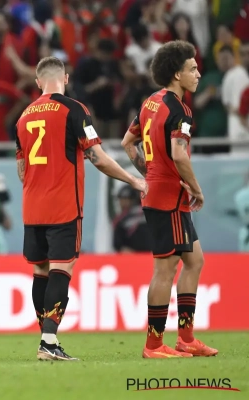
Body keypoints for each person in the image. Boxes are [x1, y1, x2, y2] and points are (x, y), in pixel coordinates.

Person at [15, 56, 148, 361]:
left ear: (37, 82)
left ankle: (46, 338)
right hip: (63, 205)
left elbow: (22, 171)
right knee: (62, 268)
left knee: (40, 270)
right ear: (66, 78)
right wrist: (133, 180)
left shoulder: (22, 117)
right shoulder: (74, 109)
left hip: (32, 207)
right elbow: (97, 157)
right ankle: (49, 342)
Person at [121, 40, 218, 358]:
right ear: (177, 74)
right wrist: (196, 188)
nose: (198, 74)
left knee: (195, 260)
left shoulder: (151, 102)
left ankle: (186, 338)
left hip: (161, 193)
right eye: (193, 68)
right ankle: (153, 344)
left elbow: (128, 142)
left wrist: (149, 173)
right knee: (166, 269)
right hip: (169, 198)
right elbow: (179, 154)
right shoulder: (180, 110)